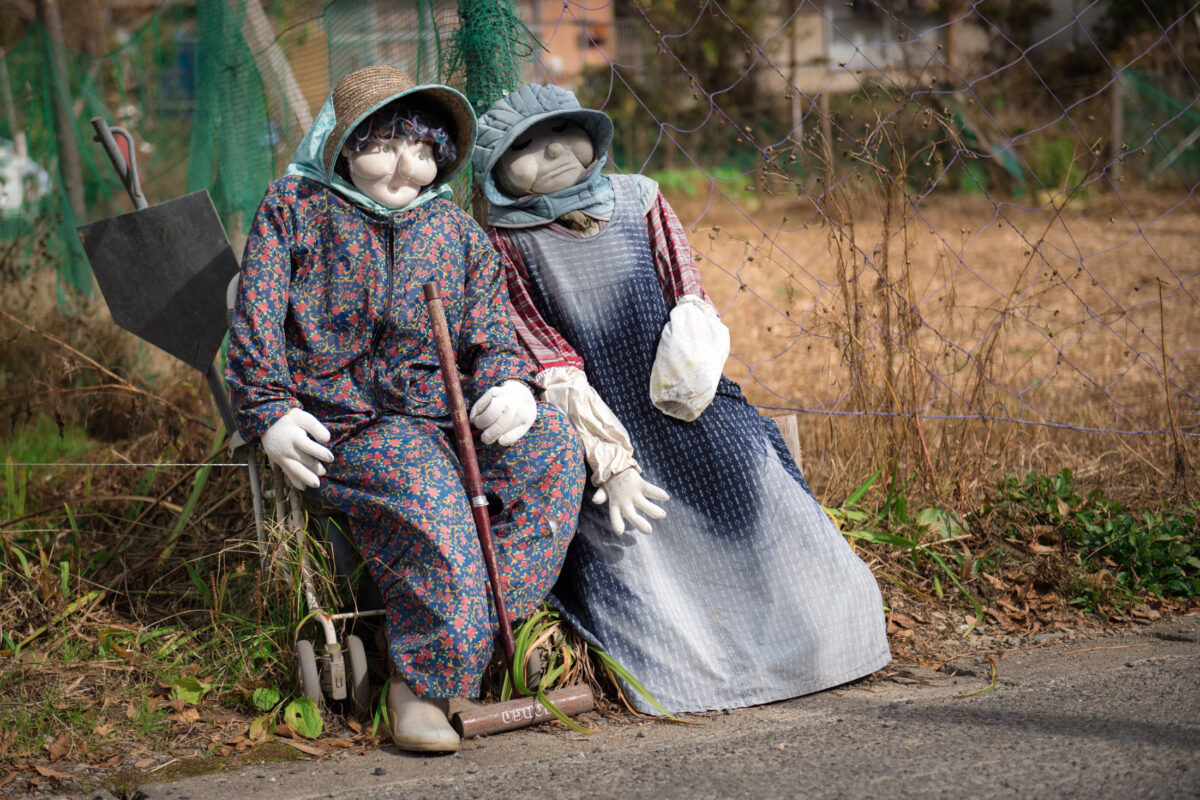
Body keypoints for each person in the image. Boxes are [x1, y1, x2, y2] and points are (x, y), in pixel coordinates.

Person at [472, 84, 891, 714]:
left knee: (753, 476)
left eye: (561, 129)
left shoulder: (639, 199)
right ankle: (699, 673)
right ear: (496, 170)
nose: (551, 149)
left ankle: (822, 639)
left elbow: (685, 289)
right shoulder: (503, 241)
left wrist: (690, 382)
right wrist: (610, 459)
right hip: (597, 416)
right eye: (524, 145)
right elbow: (544, 350)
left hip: (681, 393)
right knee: (626, 535)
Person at [225, 66, 585, 753]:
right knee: (430, 496)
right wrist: (267, 406)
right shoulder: (295, 209)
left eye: (422, 150)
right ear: (344, 142)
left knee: (553, 455)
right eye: (385, 143)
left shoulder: (454, 231)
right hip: (353, 421)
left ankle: (452, 645)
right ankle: (422, 686)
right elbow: (256, 320)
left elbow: (491, 330)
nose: (404, 164)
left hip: (448, 413)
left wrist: (511, 384)